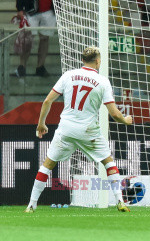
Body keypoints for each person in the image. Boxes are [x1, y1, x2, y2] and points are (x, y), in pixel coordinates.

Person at [24, 47, 133, 213]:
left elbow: (47, 101)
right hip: (89, 131)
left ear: (83, 60)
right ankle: (120, 201)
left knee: (47, 165)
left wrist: (41, 124)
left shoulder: (68, 75)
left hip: (66, 129)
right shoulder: (102, 81)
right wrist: (125, 120)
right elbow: (114, 113)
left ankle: (31, 205)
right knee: (108, 162)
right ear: (98, 61)